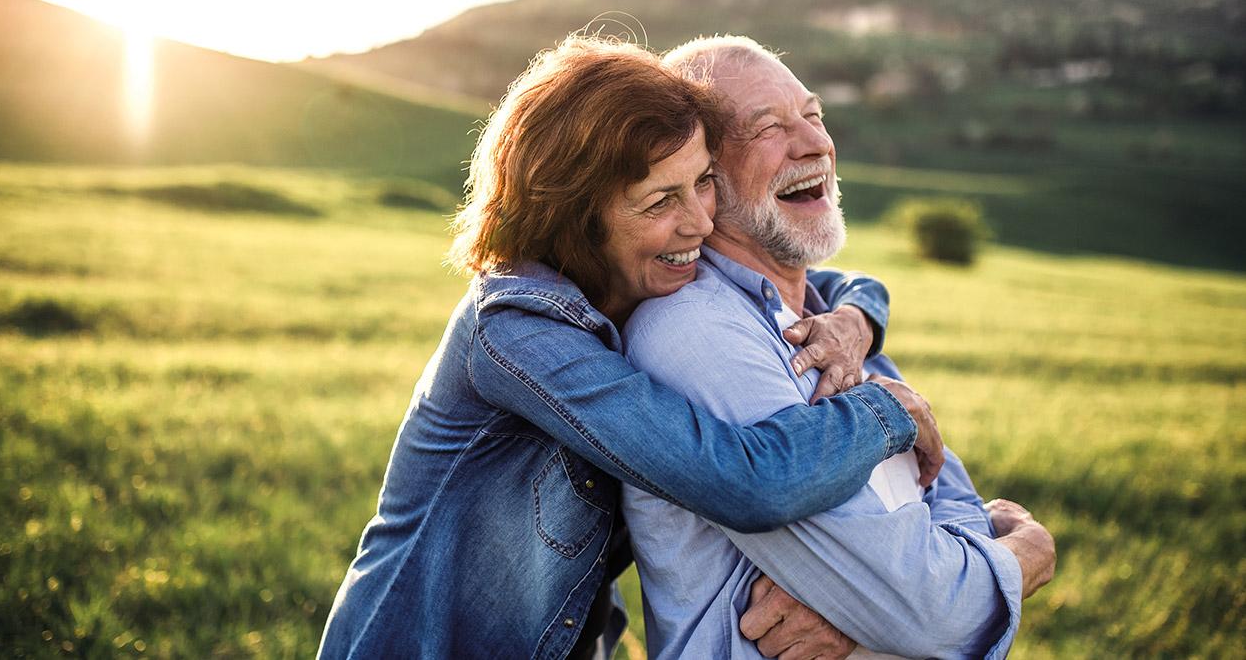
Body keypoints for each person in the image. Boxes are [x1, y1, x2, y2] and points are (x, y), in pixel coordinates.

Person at [315, 35, 946, 660]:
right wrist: (890, 411)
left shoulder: (641, 277)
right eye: (660, 202)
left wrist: (857, 319)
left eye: (701, 182)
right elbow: (746, 483)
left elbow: (829, 283)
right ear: (577, 216)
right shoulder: (515, 329)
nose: (700, 220)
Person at [621, 35, 1056, 660]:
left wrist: (876, 605)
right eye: (769, 127)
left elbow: (947, 497)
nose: (816, 144)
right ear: (700, 177)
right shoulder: (695, 335)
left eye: (815, 115)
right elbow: (930, 612)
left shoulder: (838, 329)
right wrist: (1024, 554)